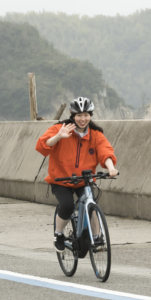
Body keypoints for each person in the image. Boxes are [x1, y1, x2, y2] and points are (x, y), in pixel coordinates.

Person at [35, 97, 119, 253]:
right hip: (61, 180)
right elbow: (42, 146)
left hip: (84, 180)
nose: (83, 119)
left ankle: (97, 238)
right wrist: (59, 136)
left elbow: (105, 152)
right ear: (72, 115)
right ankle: (59, 234)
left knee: (91, 204)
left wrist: (111, 167)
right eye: (79, 115)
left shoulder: (95, 134)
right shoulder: (60, 128)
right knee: (66, 206)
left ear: (90, 115)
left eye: (86, 115)